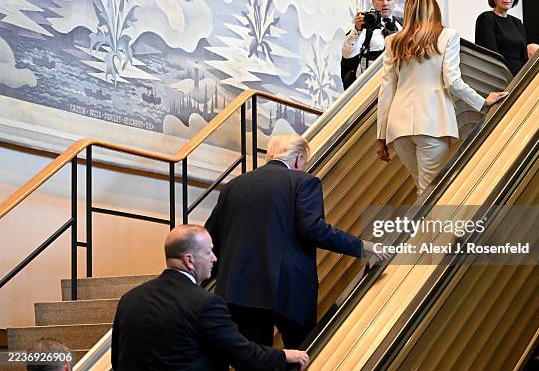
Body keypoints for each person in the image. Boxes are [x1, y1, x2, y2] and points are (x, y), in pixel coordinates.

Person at [205, 134, 387, 349]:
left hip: (237, 291)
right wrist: (362, 246)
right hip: (288, 290)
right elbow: (314, 229)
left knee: (253, 360)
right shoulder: (304, 182)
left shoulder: (233, 186)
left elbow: (210, 235)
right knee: (301, 353)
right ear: (299, 159)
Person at [111, 225, 309, 371]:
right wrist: (284, 355)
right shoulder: (205, 303)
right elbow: (243, 355)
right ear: (189, 261)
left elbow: (117, 361)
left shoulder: (130, 299)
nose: (214, 258)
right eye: (209, 252)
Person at [376, 0, 508, 196]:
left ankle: (420, 228)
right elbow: (453, 82)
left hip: (399, 128)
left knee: (422, 188)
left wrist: (381, 137)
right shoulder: (447, 36)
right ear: (434, 9)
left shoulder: (394, 41)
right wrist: (482, 102)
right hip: (433, 124)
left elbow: (386, 89)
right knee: (429, 192)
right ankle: (426, 229)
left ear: (408, 11)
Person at [341, 0, 403, 89]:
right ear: (373, 2)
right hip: (369, 87)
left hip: (398, 86)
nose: (385, 3)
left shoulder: (403, 25)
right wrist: (357, 30)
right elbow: (348, 54)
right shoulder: (365, 27)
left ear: (394, 3)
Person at [475, 0, 527, 76]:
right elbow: (491, 55)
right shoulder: (486, 19)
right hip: (499, 78)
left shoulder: (517, 23)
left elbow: (523, 57)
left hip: (520, 78)